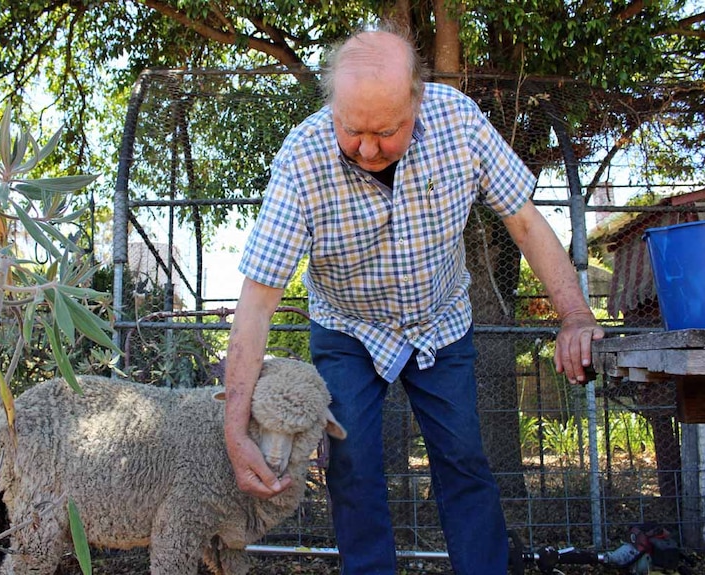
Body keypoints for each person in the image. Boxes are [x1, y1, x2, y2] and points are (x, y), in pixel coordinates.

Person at [223, 27, 604, 575]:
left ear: (417, 102)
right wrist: (237, 432)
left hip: (440, 321)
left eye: (387, 131)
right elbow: (257, 301)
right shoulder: (302, 158)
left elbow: (524, 221)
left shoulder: (459, 122)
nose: (368, 149)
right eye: (352, 131)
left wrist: (575, 316)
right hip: (348, 326)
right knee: (351, 462)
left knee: (464, 460)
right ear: (333, 107)